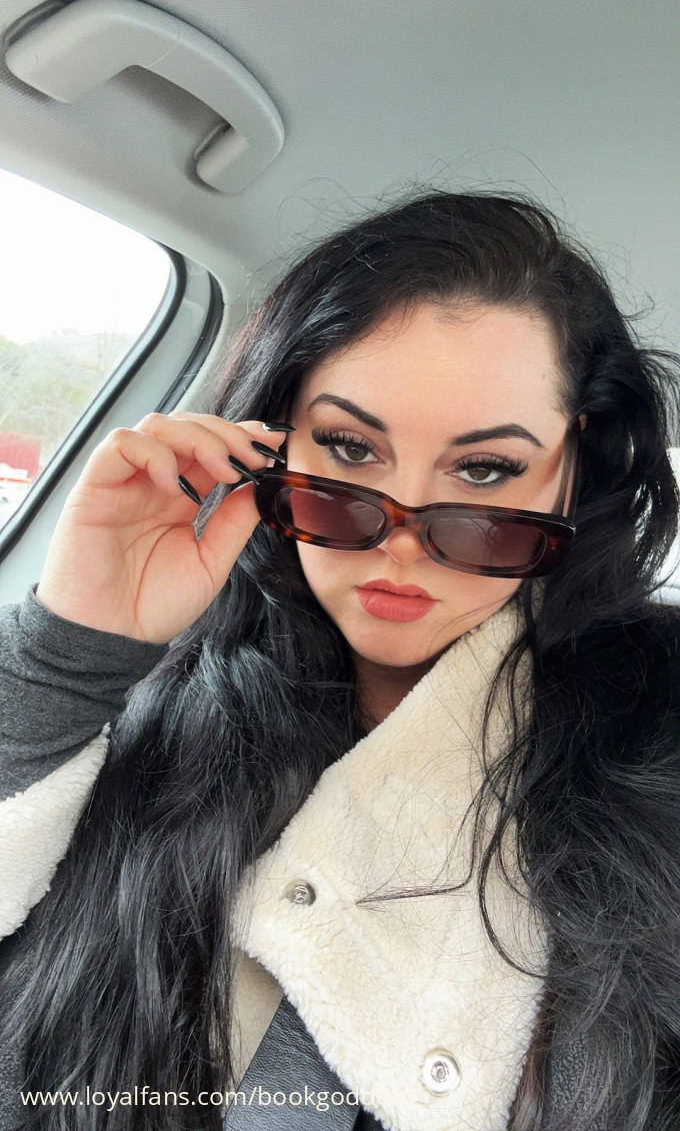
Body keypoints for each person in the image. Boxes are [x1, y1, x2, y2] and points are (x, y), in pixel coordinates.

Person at [0, 187, 679, 1131]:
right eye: (352, 449)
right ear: (271, 441)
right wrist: (71, 647)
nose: (400, 543)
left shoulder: (657, 719)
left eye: (485, 470)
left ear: (576, 471)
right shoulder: (165, 688)